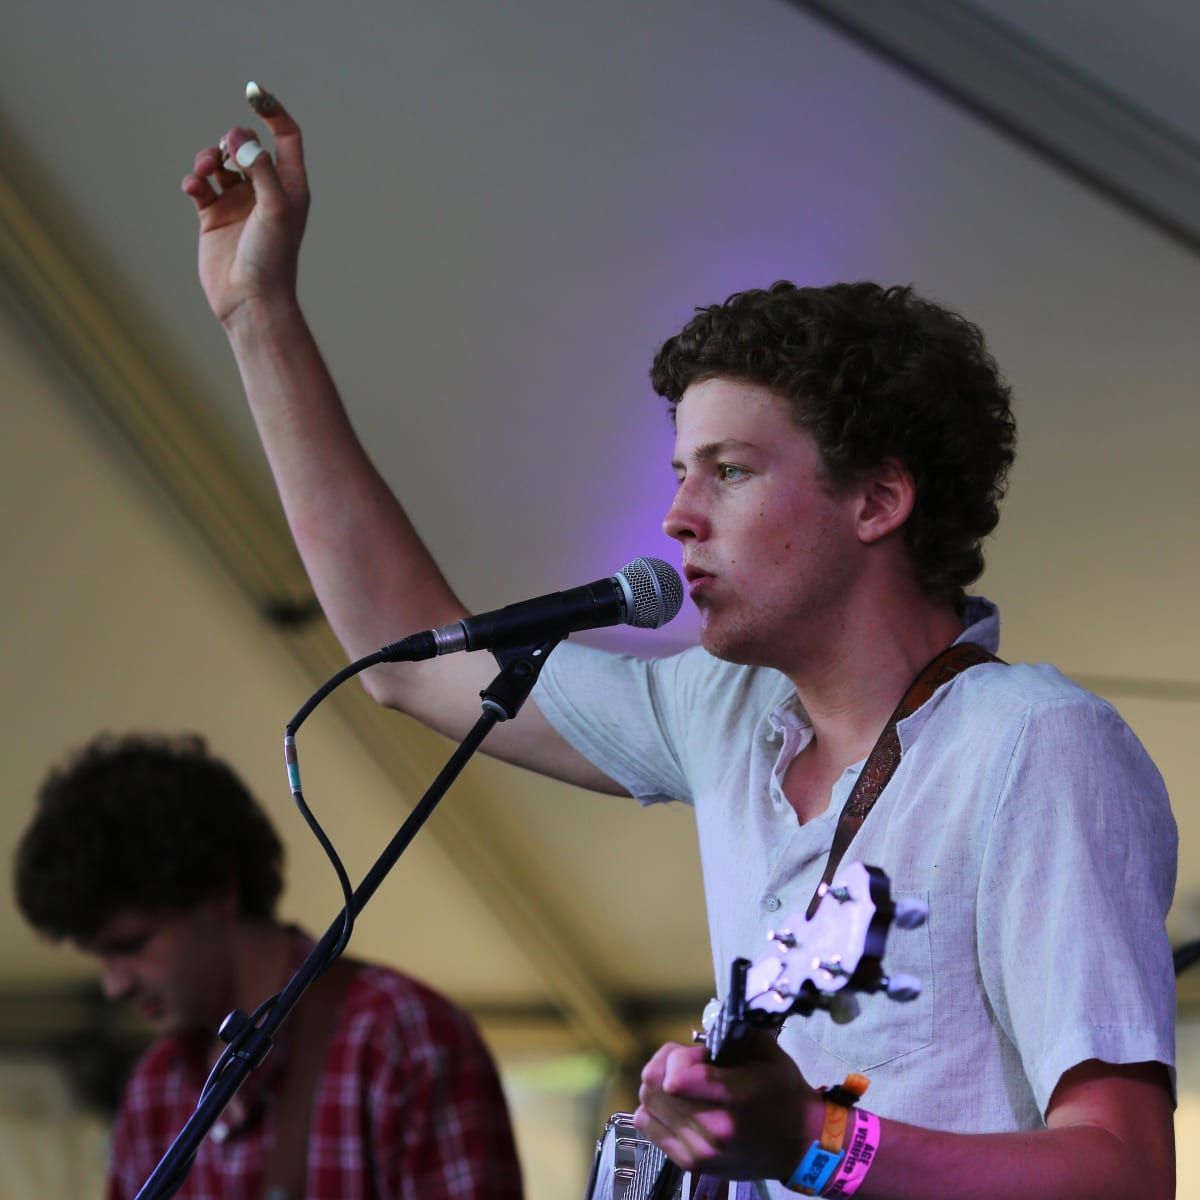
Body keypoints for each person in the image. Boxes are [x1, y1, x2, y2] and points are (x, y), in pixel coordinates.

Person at [177, 84, 1176, 1199]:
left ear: (879, 499)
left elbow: (1122, 1171)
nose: (676, 516)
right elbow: (411, 660)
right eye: (678, 471)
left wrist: (815, 1142)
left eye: (731, 471)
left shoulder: (1037, 748)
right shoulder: (724, 712)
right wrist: (255, 315)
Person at [14, 733, 522, 1200]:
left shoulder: (401, 1038)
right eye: (98, 957)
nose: (113, 985)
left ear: (219, 892)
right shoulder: (155, 1090)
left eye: (131, 944)